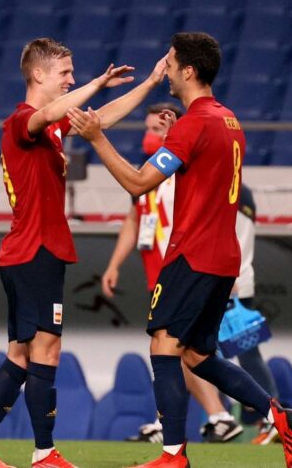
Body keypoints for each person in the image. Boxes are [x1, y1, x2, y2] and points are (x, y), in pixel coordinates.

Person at [68, 32, 292, 468]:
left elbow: (139, 183)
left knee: (163, 344)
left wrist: (97, 138)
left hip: (192, 253)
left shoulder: (194, 122)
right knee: (197, 354)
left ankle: (173, 454)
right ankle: (279, 415)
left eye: (171, 63)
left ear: (189, 71)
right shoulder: (230, 120)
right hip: (223, 257)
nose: (167, 71)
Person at [0, 37, 168, 468]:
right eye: (64, 73)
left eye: (73, 74)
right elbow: (52, 112)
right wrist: (95, 82)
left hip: (29, 250)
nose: (71, 79)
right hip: (35, 250)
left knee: (21, 356)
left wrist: (148, 84)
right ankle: (44, 453)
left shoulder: (49, 126)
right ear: (38, 75)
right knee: (45, 351)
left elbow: (100, 119)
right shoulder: (22, 119)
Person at [105, 103, 242, 444]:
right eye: (148, 129)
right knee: (175, 351)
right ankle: (177, 420)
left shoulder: (175, 173)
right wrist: (114, 264)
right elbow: (134, 220)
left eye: (156, 129)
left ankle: (220, 414)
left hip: (188, 270)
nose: (148, 136)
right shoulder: (153, 171)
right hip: (164, 272)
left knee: (186, 350)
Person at [233, 183, 281, 445]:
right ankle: (272, 416)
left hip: (229, 284)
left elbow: (227, 234)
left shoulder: (227, 189)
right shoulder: (245, 191)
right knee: (247, 354)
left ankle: (273, 417)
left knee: (245, 354)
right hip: (240, 281)